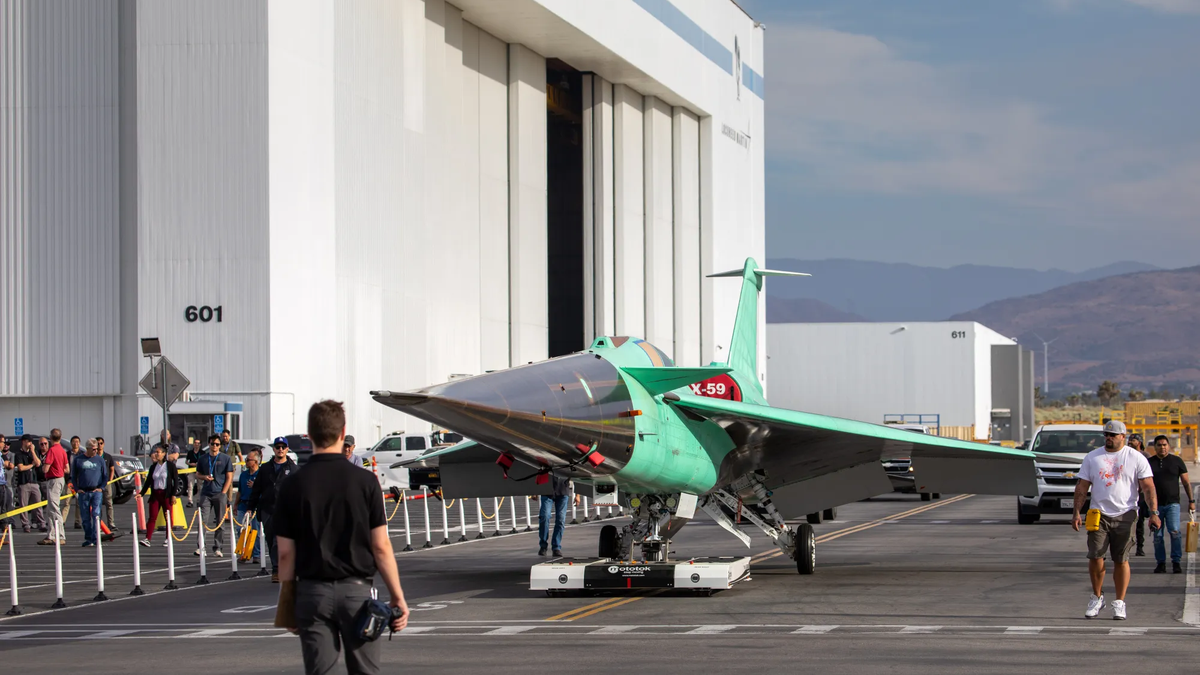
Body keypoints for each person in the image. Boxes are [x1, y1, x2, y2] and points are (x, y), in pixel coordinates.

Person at [274, 400, 408, 674]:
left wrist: (287, 604)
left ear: (308, 434)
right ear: (342, 431)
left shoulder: (292, 484)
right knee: (365, 669)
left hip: (312, 593)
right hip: (356, 593)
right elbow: (380, 546)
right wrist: (397, 596)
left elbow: (286, 553)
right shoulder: (365, 482)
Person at [1072, 420, 1157, 621]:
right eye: (1106, 435)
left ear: (1123, 436)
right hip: (1098, 514)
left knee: (1121, 559)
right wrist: (1076, 512)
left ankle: (1119, 602)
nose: (1108, 438)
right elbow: (1082, 487)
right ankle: (1097, 597)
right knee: (1095, 556)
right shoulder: (1093, 457)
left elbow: (1148, 487)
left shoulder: (1136, 458)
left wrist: (1154, 512)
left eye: (1113, 435)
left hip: (1126, 513)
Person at [249, 437, 297, 581]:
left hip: (285, 510)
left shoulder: (293, 468)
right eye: (278, 447)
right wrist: (250, 507)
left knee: (279, 540)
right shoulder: (265, 468)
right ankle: (278, 567)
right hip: (267, 509)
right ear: (274, 449)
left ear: (287, 449)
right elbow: (257, 489)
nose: (280, 449)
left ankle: (279, 569)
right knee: (271, 540)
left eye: (283, 447)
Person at [1147, 435, 1193, 574]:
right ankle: (1161, 563)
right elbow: (1142, 484)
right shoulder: (1149, 463)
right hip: (1155, 506)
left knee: (1174, 532)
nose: (1162, 447)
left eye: (1165, 445)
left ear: (1169, 446)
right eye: (1159, 445)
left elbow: (1186, 482)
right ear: (1155, 447)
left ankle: (1176, 562)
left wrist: (1191, 501)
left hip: (1173, 504)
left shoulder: (1177, 461)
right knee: (1158, 536)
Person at [195, 434, 234, 558]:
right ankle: (201, 547)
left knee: (220, 522)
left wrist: (224, 493)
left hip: (219, 493)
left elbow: (229, 477)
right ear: (209, 444)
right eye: (212, 444)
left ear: (220, 445)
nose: (214, 446)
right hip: (206, 493)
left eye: (217, 444)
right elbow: (197, 474)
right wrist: (204, 477)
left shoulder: (225, 458)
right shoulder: (203, 458)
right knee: (203, 521)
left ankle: (218, 547)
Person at [139, 445, 179, 547]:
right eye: (155, 452)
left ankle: (168, 538)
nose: (156, 454)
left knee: (168, 517)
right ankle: (147, 538)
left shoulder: (170, 466)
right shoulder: (153, 467)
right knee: (152, 517)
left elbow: (175, 481)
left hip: (166, 494)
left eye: (158, 452)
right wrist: (141, 493)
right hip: (156, 494)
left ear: (164, 454)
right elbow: (148, 481)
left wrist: (173, 495)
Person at [71, 439, 108, 547]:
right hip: (83, 492)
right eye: (93, 449)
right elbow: (73, 477)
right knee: (85, 518)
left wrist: (101, 487)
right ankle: (89, 538)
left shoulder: (99, 460)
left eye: (96, 449)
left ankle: (96, 538)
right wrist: (77, 489)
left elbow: (105, 475)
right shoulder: (78, 460)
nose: (96, 451)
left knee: (96, 515)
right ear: (87, 449)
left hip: (96, 492)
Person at [39, 430, 69, 545]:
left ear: (51, 437)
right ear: (60, 437)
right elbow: (67, 469)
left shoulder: (52, 450)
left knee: (55, 508)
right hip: (60, 479)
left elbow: (45, 468)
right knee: (51, 509)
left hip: (54, 480)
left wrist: (45, 467)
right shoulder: (62, 451)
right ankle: (51, 535)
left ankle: (61, 536)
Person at [538, 475, 576, 557]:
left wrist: (578, 495)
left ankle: (556, 547)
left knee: (561, 519)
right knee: (544, 516)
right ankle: (543, 545)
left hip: (563, 490)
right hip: (547, 490)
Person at [235, 449, 262, 563]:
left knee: (255, 530)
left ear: (255, 461)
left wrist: (255, 486)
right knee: (239, 529)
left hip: (256, 505)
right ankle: (243, 552)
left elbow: (266, 490)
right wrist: (236, 504)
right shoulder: (243, 475)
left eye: (248, 460)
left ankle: (256, 554)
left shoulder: (261, 474)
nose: (246, 461)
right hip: (243, 504)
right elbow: (239, 491)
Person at [13, 435, 44, 533]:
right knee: (24, 505)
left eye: (31, 442)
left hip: (34, 482)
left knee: (38, 503)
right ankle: (25, 524)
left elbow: (38, 463)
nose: (30, 444)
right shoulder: (18, 455)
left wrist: (33, 452)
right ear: (23, 442)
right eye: (28, 441)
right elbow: (21, 468)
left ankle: (41, 523)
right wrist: (31, 465)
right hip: (23, 483)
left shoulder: (33, 454)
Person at [1128, 433, 1150, 556]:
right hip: (1128, 493)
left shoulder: (1145, 456)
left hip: (1140, 494)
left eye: (1134, 440)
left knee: (1140, 521)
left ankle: (1140, 547)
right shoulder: (1125, 455)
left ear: (1140, 442)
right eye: (1130, 440)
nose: (1130, 442)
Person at [96, 438, 117, 530]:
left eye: (101, 443)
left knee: (109, 503)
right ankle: (99, 524)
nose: (99, 445)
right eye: (98, 443)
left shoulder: (108, 456)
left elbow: (112, 469)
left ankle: (111, 523)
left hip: (106, 483)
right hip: (96, 483)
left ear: (103, 444)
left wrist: (110, 480)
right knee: (98, 503)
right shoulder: (94, 457)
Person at [66, 436, 84, 530]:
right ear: (71, 443)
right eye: (73, 441)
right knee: (66, 502)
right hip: (70, 481)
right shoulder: (67, 454)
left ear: (79, 443)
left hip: (80, 481)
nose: (75, 443)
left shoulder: (82, 454)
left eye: (77, 441)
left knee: (79, 503)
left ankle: (77, 522)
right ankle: (63, 521)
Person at [0, 433, 13, 531]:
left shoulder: (1, 456)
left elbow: (9, 465)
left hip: (3, 484)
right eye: (3, 442)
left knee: (3, 507)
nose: (4, 444)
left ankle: (3, 529)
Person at [185, 437, 202, 507]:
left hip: (199, 471)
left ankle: (199, 500)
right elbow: (186, 461)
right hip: (191, 471)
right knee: (190, 486)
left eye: (198, 443)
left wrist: (198, 464)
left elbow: (204, 461)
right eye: (195, 443)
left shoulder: (202, 452)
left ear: (200, 444)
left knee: (199, 486)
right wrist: (190, 464)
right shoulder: (190, 452)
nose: (196, 444)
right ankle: (190, 501)